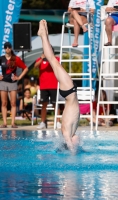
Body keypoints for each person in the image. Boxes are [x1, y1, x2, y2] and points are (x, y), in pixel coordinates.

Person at [38, 20, 80, 152]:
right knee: (52, 61)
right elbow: (74, 142)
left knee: (52, 61)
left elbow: (71, 145)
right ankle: (45, 36)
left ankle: (43, 35)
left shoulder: (65, 132)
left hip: (69, 91)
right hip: (70, 92)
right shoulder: (72, 133)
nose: (75, 141)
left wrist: (72, 154)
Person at [0, 42, 28, 128]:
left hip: (12, 82)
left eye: (9, 47)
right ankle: (4, 123)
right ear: (4, 49)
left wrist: (19, 77)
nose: (7, 49)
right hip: (3, 82)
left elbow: (25, 68)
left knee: (13, 103)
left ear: (11, 48)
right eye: (6, 47)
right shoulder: (1, 58)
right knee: (4, 103)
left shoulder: (16, 59)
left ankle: (13, 122)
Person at [34, 50, 61, 129]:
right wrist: (42, 58)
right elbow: (35, 66)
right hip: (44, 87)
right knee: (44, 105)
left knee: (55, 104)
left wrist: (51, 58)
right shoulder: (40, 60)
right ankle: (43, 122)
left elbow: (58, 66)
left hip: (54, 86)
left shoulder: (56, 59)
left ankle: (58, 122)